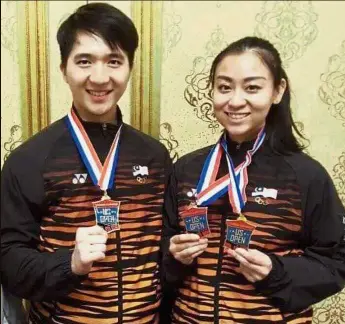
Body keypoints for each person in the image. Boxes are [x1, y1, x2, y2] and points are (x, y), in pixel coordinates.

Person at [1, 3, 172, 323]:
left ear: (130, 67)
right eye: (84, 61)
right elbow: (9, 263)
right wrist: (72, 264)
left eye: (114, 61)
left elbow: (163, 255)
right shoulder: (29, 159)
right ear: (64, 68)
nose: (100, 77)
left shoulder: (155, 156)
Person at [162, 36, 345, 323]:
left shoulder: (306, 175)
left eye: (252, 88)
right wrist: (174, 257)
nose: (235, 101)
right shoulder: (186, 169)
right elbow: (160, 253)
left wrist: (276, 271)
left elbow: (336, 261)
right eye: (224, 87)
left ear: (277, 90)